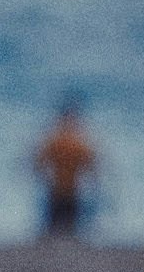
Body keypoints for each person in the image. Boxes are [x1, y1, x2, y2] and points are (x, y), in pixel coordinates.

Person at [32, 102, 100, 238]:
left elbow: (37, 164)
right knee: (66, 231)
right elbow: (92, 168)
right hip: (63, 192)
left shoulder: (55, 141)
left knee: (55, 231)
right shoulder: (76, 143)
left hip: (63, 192)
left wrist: (45, 177)